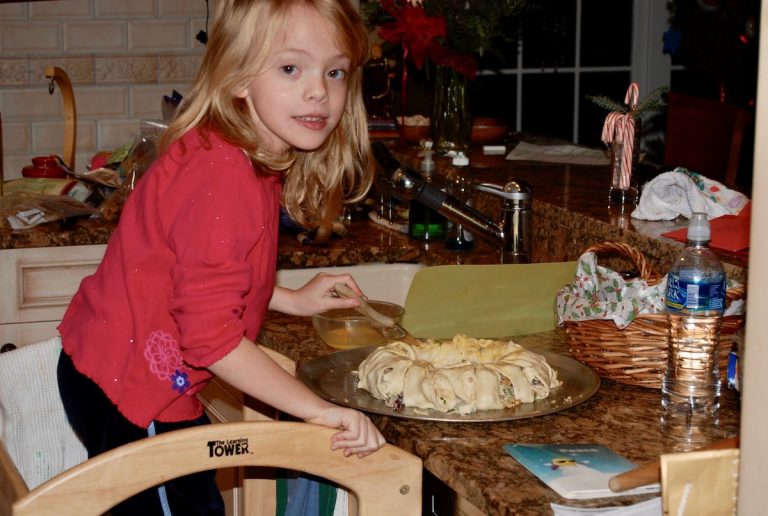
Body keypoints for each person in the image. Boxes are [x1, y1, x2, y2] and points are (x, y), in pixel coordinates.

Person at [56, 0, 384, 514]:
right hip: (135, 387)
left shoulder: (238, 153)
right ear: (238, 78)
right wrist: (316, 411)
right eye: (291, 68)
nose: (319, 89)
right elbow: (211, 339)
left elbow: (199, 272)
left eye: (335, 71)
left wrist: (291, 300)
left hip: (122, 366)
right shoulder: (224, 175)